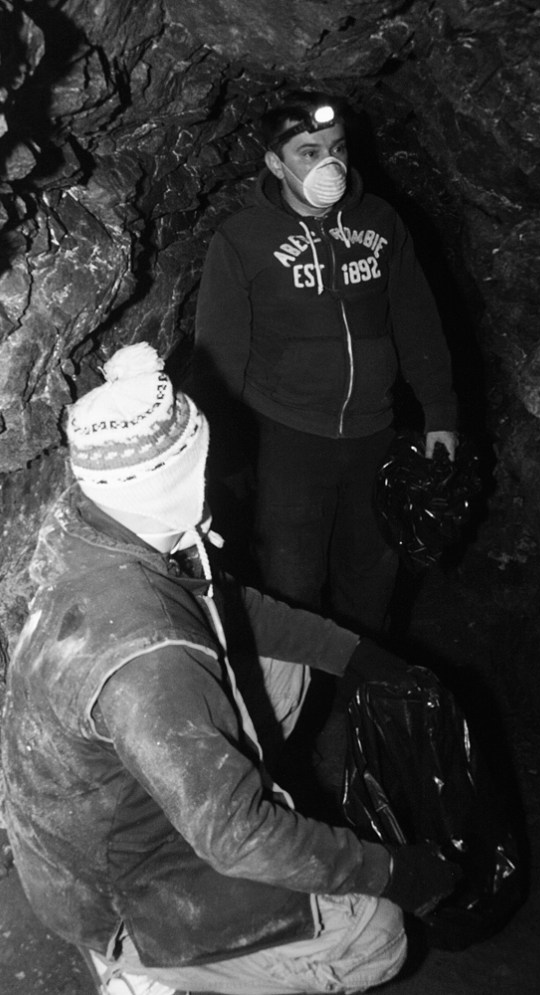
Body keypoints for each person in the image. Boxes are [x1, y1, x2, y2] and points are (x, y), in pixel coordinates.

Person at [1, 343, 460, 995]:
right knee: (376, 935)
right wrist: (390, 870)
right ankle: (138, 969)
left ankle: (211, 800)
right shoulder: (148, 655)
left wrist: (354, 653)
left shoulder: (99, 531)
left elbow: (227, 606)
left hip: (96, 816)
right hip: (112, 891)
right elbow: (236, 834)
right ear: (179, 479)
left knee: (287, 670)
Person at [193, 91, 457, 638]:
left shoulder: (381, 221)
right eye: (309, 153)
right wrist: (223, 455)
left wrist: (440, 413)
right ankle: (306, 688)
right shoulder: (241, 240)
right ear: (275, 163)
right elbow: (219, 353)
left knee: (373, 576)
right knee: (292, 585)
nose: (328, 164)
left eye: (337, 148)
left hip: (374, 433)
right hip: (286, 438)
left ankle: (364, 679)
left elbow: (417, 320)